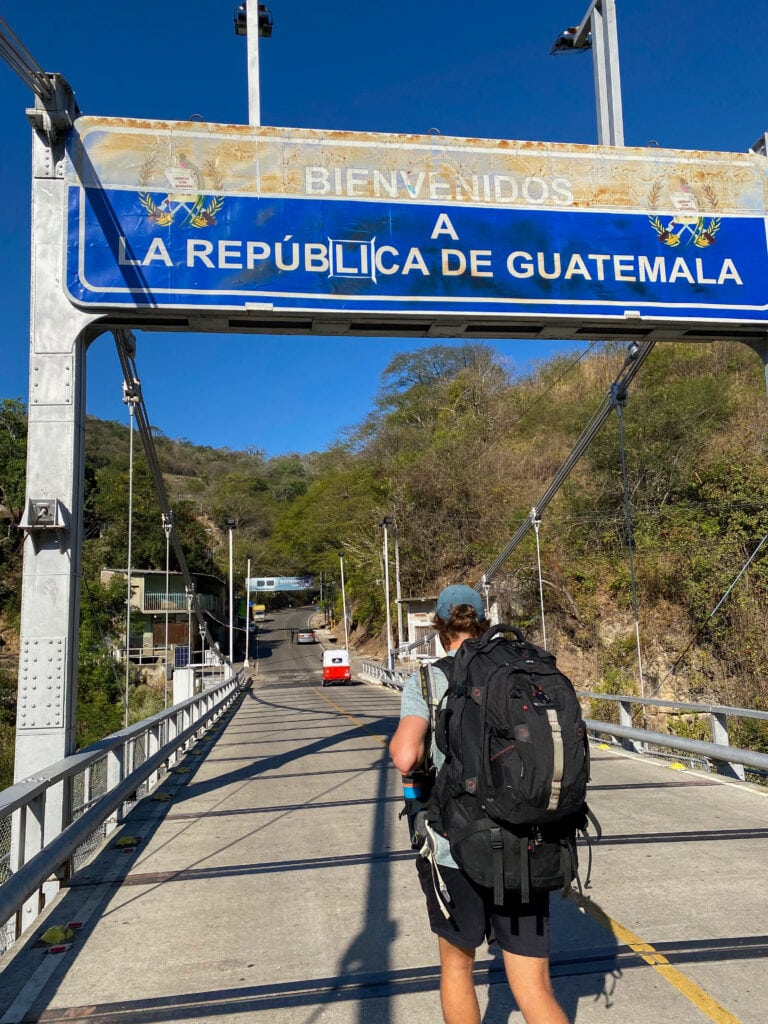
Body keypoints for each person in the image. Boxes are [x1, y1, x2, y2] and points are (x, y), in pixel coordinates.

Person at [389, 584, 568, 1024]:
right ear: (484, 621)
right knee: (533, 986)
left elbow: (405, 756)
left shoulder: (429, 681)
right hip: (527, 841)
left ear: (437, 626)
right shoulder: (526, 670)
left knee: (457, 966)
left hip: (455, 846)